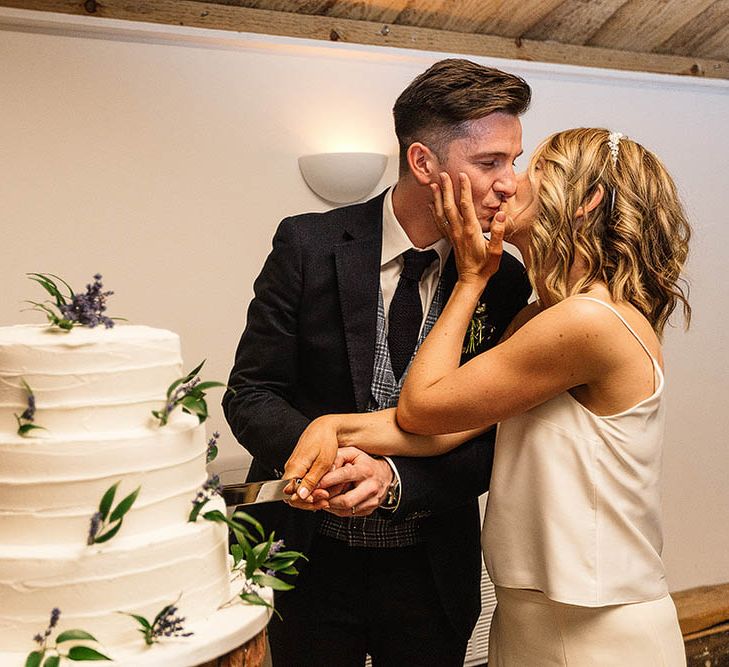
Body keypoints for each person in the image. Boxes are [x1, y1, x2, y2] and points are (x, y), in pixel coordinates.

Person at [286, 127, 690, 665]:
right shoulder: (542, 316)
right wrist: (331, 427)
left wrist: (472, 278)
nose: (510, 183)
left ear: (586, 201)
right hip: (528, 614)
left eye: (534, 168)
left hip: (598, 624)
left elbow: (421, 405)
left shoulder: (588, 320)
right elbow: (442, 427)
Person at [222, 58, 532, 666]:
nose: (510, 183)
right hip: (307, 563)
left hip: (429, 571)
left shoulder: (503, 282)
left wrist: (396, 482)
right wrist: (328, 462)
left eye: (514, 162)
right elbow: (251, 393)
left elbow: (497, 433)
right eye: (491, 162)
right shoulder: (308, 245)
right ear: (423, 163)